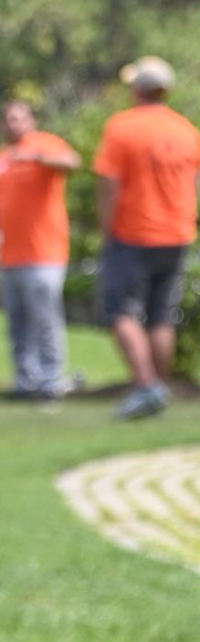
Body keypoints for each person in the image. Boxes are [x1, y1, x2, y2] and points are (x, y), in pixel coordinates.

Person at [93, 56, 200, 418]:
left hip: (134, 232)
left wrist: (106, 230)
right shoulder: (186, 130)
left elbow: (108, 183)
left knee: (120, 310)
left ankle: (146, 385)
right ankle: (159, 388)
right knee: (160, 315)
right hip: (177, 233)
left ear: (137, 90)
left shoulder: (123, 127)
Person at [0, 100, 80, 400]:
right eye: (9, 119)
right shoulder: (1, 158)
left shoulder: (45, 144)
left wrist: (37, 157)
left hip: (44, 255)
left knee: (44, 319)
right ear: (1, 125)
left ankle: (51, 381)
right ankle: (26, 381)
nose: (14, 123)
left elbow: (72, 162)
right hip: (10, 256)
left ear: (30, 120)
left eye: (19, 118)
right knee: (17, 322)